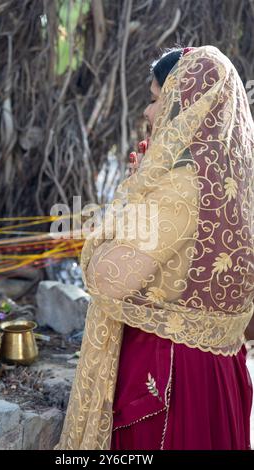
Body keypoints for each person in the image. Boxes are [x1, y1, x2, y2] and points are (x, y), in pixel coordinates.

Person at [54, 45, 254, 450]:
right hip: (221, 373)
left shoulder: (179, 188)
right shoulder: (236, 189)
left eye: (154, 98)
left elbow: (108, 280)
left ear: (184, 103)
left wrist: (126, 207)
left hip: (171, 381)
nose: (147, 113)